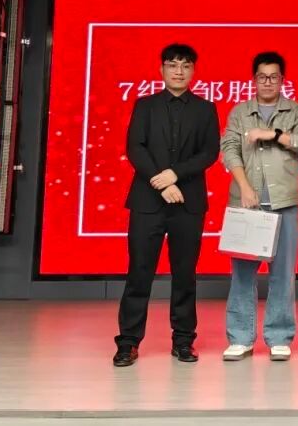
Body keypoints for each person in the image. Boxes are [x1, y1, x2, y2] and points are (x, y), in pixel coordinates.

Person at [114, 43, 220, 367]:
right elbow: (135, 147)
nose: (178, 71)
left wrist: (176, 175)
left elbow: (209, 153)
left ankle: (184, 341)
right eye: (172, 65)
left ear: (193, 71)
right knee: (139, 272)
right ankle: (128, 342)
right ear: (161, 69)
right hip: (147, 202)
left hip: (188, 204)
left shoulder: (206, 109)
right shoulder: (145, 105)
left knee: (185, 274)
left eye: (185, 66)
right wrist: (161, 181)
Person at [220, 51, 298, 362]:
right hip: (246, 205)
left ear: (282, 80)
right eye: (262, 77)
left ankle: (279, 336)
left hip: (284, 204)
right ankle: (240, 337)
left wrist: (273, 134)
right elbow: (229, 150)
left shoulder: (295, 111)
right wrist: (245, 188)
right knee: (242, 274)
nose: (267, 82)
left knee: (283, 274)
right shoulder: (239, 113)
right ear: (254, 80)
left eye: (273, 77)